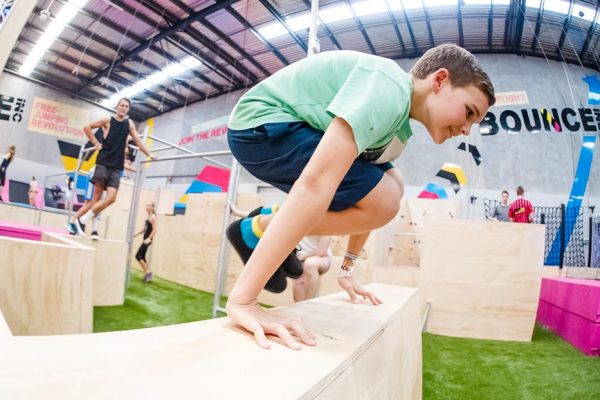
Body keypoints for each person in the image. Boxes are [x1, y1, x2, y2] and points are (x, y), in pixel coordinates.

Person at [224, 44, 495, 349]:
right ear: (440, 79)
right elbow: (315, 184)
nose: (467, 129)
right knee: (386, 196)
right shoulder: (388, 88)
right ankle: (254, 238)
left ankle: (254, 230)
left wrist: (348, 269)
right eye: (469, 112)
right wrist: (244, 301)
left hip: (281, 128)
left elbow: (370, 200)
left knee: (392, 184)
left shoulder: (397, 131)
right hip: (260, 124)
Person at [66, 98, 155, 236]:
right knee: (95, 199)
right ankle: (76, 222)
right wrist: (95, 142)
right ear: (117, 107)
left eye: (126, 106)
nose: (124, 108)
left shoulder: (129, 124)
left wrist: (149, 154)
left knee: (111, 198)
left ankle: (81, 221)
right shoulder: (107, 121)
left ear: (128, 109)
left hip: (117, 167)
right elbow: (87, 127)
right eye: (122, 105)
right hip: (103, 163)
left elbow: (137, 140)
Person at [293, 235, 333, 302]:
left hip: (321, 258)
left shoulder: (325, 225)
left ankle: (310, 304)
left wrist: (300, 258)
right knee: (298, 301)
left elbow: (321, 251)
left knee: (310, 263)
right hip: (300, 261)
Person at [134, 200, 157, 283]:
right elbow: (144, 229)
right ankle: (148, 275)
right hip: (145, 239)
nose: (147, 207)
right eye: (147, 205)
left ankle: (148, 273)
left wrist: (149, 239)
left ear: (152, 207)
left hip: (147, 240)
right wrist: (136, 234)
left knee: (138, 256)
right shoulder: (148, 217)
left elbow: (155, 230)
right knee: (142, 257)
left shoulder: (153, 217)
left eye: (149, 206)